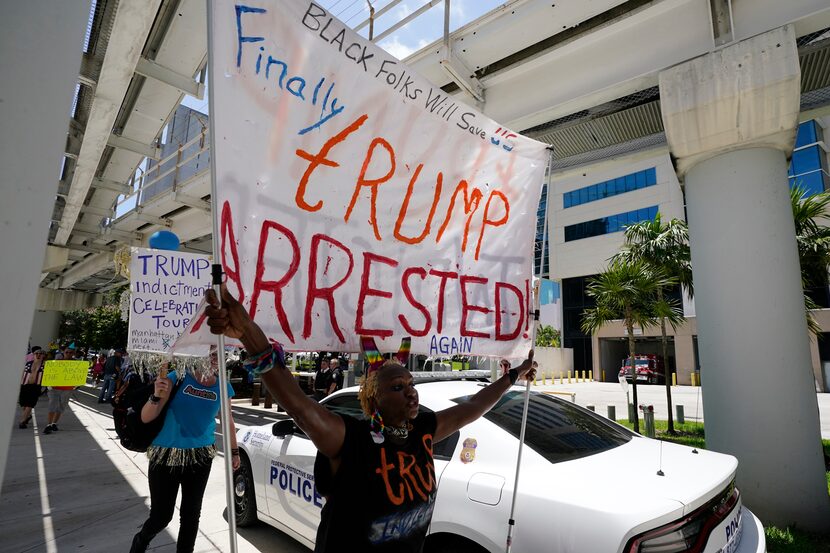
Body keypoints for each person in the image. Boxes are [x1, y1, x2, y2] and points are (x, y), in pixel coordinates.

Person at [204, 285, 534, 552]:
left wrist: (514, 375)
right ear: (375, 398)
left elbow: (474, 405)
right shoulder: (349, 439)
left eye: (411, 384)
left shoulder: (423, 430)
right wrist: (247, 331)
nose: (410, 392)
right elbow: (299, 406)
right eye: (397, 386)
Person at [129, 354, 240, 553]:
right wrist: (155, 395)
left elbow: (228, 421)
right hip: (165, 455)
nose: (216, 358)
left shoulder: (224, 386)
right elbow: (146, 418)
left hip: (201, 457)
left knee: (191, 515)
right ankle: (141, 540)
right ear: (199, 354)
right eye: (211, 353)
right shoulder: (177, 377)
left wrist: (234, 451)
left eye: (220, 355)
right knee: (161, 516)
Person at [44, 344, 79, 434]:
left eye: (70, 352)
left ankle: (54, 423)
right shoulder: (57, 362)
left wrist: (77, 384)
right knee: (52, 405)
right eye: (66, 352)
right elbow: (50, 373)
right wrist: (48, 384)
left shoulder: (77, 364)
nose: (68, 354)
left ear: (73, 354)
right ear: (63, 352)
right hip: (54, 388)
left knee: (61, 406)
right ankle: (48, 425)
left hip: (67, 389)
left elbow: (78, 376)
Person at [18, 346, 45, 428]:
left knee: (30, 404)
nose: (38, 355)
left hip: (35, 387)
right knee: (23, 404)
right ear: (33, 354)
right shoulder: (28, 364)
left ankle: (22, 421)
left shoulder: (45, 366)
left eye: (41, 353)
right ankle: (28, 416)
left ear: (43, 355)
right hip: (25, 385)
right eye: (36, 353)